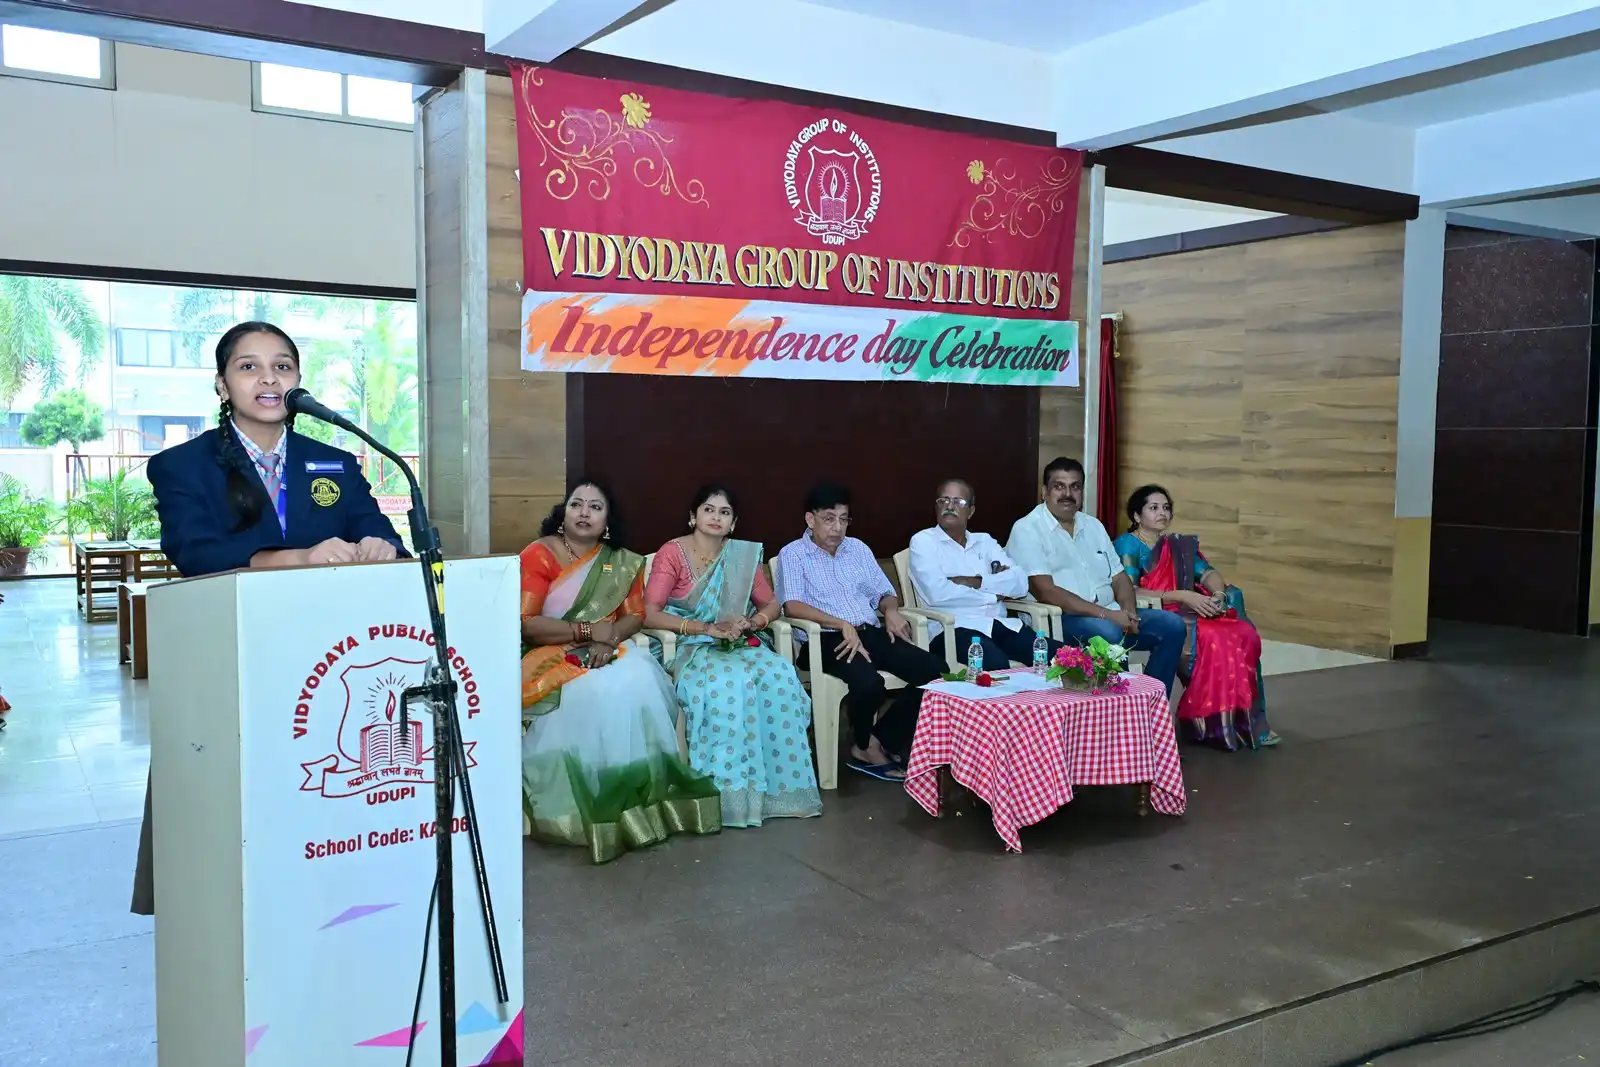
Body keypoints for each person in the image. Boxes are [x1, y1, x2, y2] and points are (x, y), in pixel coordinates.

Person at [131, 320, 408, 916]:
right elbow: (193, 552)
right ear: (222, 384)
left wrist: (380, 547)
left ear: (298, 380)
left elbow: (378, 533)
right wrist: (291, 559)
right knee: (236, 827)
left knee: (313, 810)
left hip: (324, 662)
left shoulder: (333, 461)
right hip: (230, 655)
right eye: (249, 366)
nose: (268, 378)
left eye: (282, 366)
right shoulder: (184, 465)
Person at [520, 479, 721, 863]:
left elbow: (634, 617)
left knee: (638, 681)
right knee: (593, 693)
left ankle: (638, 807)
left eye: (595, 507)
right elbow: (527, 622)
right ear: (563, 514)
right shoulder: (538, 555)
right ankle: (585, 807)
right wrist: (586, 631)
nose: (584, 512)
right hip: (546, 651)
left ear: (607, 521)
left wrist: (606, 640)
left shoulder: (621, 560)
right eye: (576, 504)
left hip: (604, 648)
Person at [643, 484, 822, 827]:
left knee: (779, 677)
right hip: (687, 645)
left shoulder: (741, 555)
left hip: (736, 643)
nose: (715, 517)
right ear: (693, 516)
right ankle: (726, 799)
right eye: (708, 510)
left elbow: (771, 604)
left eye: (724, 512)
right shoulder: (673, 552)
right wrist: (704, 628)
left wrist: (753, 621)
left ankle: (778, 794)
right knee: (728, 684)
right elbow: (649, 614)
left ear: (733, 523)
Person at [776, 482, 944, 781]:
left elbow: (885, 593)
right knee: (869, 684)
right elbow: (792, 606)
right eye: (829, 518)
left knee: (936, 672)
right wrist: (840, 624)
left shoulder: (858, 549)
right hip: (826, 641)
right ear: (810, 519)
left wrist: (891, 610)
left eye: (844, 519)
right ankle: (865, 746)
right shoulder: (793, 554)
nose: (837, 527)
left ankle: (878, 740)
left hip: (870, 632)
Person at [1114, 484, 1279, 750]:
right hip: (1155, 612)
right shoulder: (1127, 544)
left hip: (1191, 608)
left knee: (1242, 633)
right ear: (1136, 516)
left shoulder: (1178, 545)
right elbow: (1130, 590)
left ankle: (1243, 723)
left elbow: (1209, 573)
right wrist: (1183, 596)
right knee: (1213, 635)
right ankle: (1209, 725)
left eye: (1166, 508)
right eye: (1153, 508)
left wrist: (1218, 595)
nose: (1162, 513)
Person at [1006, 457, 1186, 698]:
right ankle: (1117, 709)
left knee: (1172, 626)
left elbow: (1120, 577)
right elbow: (1045, 590)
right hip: (1062, 619)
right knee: (1108, 634)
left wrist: (1129, 612)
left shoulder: (1093, 526)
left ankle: (1149, 702)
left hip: (1110, 613)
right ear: (1044, 492)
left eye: (1075, 486)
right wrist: (1108, 615)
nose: (1067, 494)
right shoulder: (1027, 529)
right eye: (1059, 486)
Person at [908, 478, 1061, 671]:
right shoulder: (923, 542)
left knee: (1060, 655)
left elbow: (1020, 583)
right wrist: (994, 594)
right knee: (994, 663)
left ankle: (1039, 702)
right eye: (943, 501)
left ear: (971, 511)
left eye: (958, 502)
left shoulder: (984, 541)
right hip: (952, 629)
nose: (949, 506)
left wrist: (973, 582)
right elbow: (937, 594)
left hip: (997, 624)